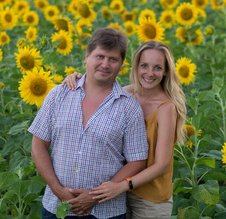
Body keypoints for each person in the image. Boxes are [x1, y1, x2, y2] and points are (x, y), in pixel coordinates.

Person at [28, 28, 149, 219]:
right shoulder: (58, 95)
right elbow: (38, 145)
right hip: (56, 206)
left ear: (121, 65)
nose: (105, 64)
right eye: (99, 56)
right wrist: (58, 190)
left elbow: (137, 160)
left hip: (105, 211)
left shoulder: (129, 107)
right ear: (86, 57)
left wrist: (94, 196)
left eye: (113, 59)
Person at [64, 41, 186, 219]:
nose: (149, 73)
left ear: (166, 71)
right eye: (144, 66)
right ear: (136, 66)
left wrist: (121, 186)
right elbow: (95, 88)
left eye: (157, 68)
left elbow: (161, 165)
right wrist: (76, 78)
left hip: (149, 199)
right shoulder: (126, 95)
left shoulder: (166, 108)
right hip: (118, 193)